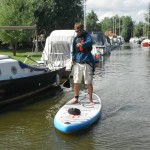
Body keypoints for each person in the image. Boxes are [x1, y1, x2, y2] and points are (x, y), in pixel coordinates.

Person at [71, 22, 95, 105]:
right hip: (77, 63)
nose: (77, 33)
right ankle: (76, 98)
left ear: (81, 30)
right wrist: (73, 59)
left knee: (88, 82)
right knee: (76, 81)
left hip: (87, 62)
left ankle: (91, 100)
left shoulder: (87, 35)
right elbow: (73, 51)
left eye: (78, 31)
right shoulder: (75, 39)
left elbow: (91, 41)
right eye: (76, 31)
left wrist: (82, 44)